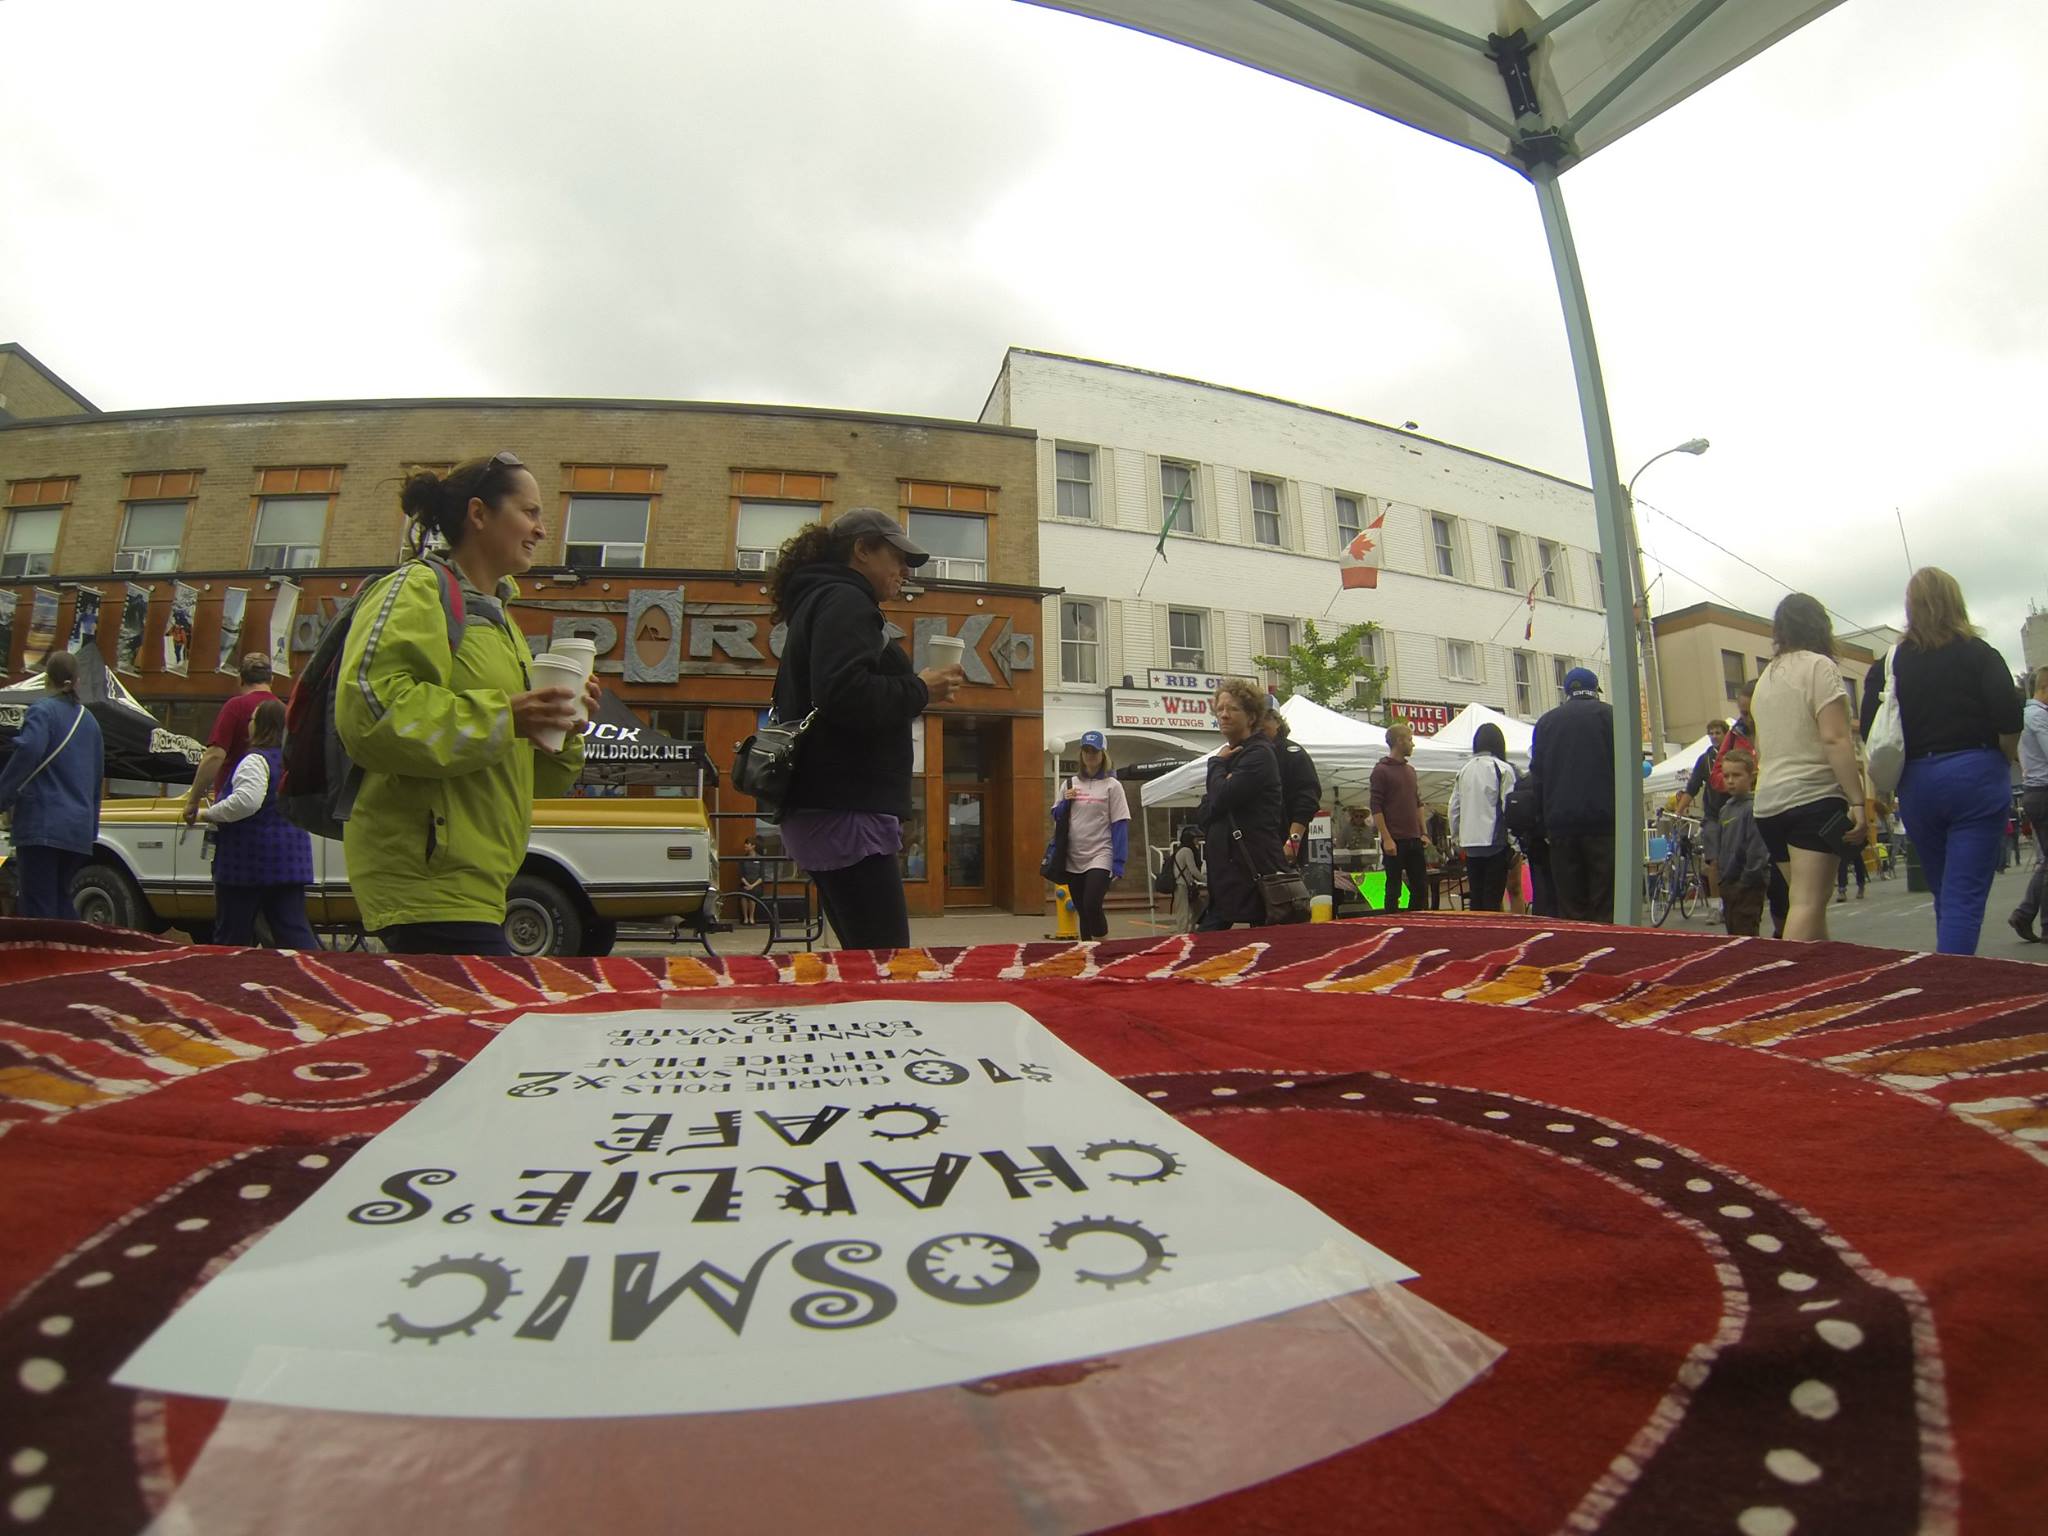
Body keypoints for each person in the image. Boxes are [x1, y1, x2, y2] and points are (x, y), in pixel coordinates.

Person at [337, 453, 596, 956]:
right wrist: (506, 716)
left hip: (482, 886)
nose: (542, 530)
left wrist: (562, 727)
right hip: (427, 882)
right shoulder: (414, 588)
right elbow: (370, 714)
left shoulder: (502, 624)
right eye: (530, 511)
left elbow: (535, 779)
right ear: (479, 514)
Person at [766, 507, 963, 950]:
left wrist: (915, 689)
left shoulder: (820, 598)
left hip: (826, 805)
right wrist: (920, 688)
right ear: (862, 550)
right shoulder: (846, 600)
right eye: (897, 558)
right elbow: (844, 693)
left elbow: (834, 690)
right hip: (846, 809)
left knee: (864, 958)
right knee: (885, 961)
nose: (905, 571)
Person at [1858, 568, 2023, 954]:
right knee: (1964, 894)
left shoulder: (1889, 664)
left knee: (1944, 889)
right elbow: (2009, 718)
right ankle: (1951, 978)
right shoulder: (1980, 654)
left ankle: (1947, 966)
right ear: (1956, 602)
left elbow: (1869, 728)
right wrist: (2003, 757)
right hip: (1976, 775)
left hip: (1918, 783)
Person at [1750, 594, 1866, 944]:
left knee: (1807, 904)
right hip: (1813, 797)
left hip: (1768, 803)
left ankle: (1823, 971)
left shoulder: (1765, 678)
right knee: (1808, 903)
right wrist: (1857, 800)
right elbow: (1835, 738)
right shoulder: (1819, 667)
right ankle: (1781, 974)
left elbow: (1761, 746)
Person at [193, 698, 319, 949]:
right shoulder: (293, 762)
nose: (249, 724)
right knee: (294, 932)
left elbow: (246, 802)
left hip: (247, 863)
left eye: (252, 719)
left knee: (233, 935)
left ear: (262, 725)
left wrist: (210, 814)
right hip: (290, 860)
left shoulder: (254, 760)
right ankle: (313, 970)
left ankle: (229, 973)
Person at [0, 652, 105, 921]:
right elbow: (96, 779)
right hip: (78, 829)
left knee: (38, 905)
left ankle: (45, 949)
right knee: (61, 899)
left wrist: (3, 797)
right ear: (77, 681)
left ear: (46, 679)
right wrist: (90, 828)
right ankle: (71, 947)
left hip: (42, 823)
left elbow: (29, 751)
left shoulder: (42, 710)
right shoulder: (91, 722)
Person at [1194, 678, 1286, 930]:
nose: (1223, 715)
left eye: (1232, 709)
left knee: (1260, 942)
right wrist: (1220, 785)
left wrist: (1216, 765)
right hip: (1226, 875)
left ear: (1251, 716)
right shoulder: (1232, 756)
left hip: (1253, 870)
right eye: (1220, 709)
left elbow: (1220, 797)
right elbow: (1204, 813)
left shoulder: (1258, 754)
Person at [1530, 666, 1615, 923]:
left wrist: (1542, 822)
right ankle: (1605, 943)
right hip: (1604, 823)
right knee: (1605, 900)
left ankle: (1576, 943)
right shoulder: (1610, 716)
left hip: (1561, 825)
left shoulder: (1546, 723)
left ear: (1566, 692)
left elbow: (1537, 777)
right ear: (1595, 690)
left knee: (1570, 903)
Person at [180, 652, 277, 827]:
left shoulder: (236, 707)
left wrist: (193, 801)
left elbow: (215, 756)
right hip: (275, 809)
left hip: (234, 806)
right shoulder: (283, 710)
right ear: (272, 679)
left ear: (240, 679)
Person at [1055, 730, 1130, 940]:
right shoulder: (1069, 783)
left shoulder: (1113, 786)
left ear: (1103, 754)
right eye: (1086, 750)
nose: (1090, 755)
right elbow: (1057, 815)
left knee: (1092, 903)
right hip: (1073, 856)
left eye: (1094, 751)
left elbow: (1120, 823)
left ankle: (1102, 946)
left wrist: (1119, 862)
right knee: (1082, 908)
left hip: (1100, 853)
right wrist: (1065, 802)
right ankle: (1088, 950)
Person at [1450, 721, 1518, 911]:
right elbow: (1508, 806)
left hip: (1470, 844)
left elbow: (1454, 807)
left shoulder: (1463, 770)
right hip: (1494, 842)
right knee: (1492, 899)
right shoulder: (1503, 769)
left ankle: (1475, 927)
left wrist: (1456, 838)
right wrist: (1514, 843)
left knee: (1477, 897)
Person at [1711, 749, 1772, 937]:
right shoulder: (1725, 810)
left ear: (1751, 777)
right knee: (1733, 932)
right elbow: (1721, 847)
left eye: (1736, 775)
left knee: (1746, 933)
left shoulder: (1754, 808)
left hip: (1748, 886)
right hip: (1728, 883)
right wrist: (1721, 879)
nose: (1730, 781)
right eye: (1726, 775)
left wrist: (1746, 881)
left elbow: (1757, 849)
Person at [2008, 666, 2048, 943]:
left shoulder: (2026, 715)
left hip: (2035, 790)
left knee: (2046, 862)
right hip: (2044, 791)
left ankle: (2027, 915)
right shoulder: (2039, 717)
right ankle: (2033, 918)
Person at [1370, 724, 1427, 913]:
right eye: (1410, 739)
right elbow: (1376, 806)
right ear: (1399, 741)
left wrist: (1424, 832)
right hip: (1395, 838)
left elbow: (1418, 803)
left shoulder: (1410, 770)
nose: (1413, 744)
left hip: (1414, 838)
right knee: (1394, 888)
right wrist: (1386, 838)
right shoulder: (1381, 770)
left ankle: (1417, 920)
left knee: (1420, 887)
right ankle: (1391, 920)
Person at [1261, 704, 1322, 867]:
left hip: (1283, 844)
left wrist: (1292, 843)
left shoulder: (1293, 753)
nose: (1260, 723)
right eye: (1255, 718)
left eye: (1265, 718)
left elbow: (1307, 800)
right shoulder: (1248, 754)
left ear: (1277, 722)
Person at [1170, 825, 1206, 933]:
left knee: (1199, 908)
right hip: (1181, 885)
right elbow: (1193, 870)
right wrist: (1206, 880)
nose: (1197, 841)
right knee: (1183, 912)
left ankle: (1192, 929)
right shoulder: (1187, 851)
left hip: (1187, 885)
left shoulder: (1182, 849)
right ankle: (1182, 934)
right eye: (1195, 839)